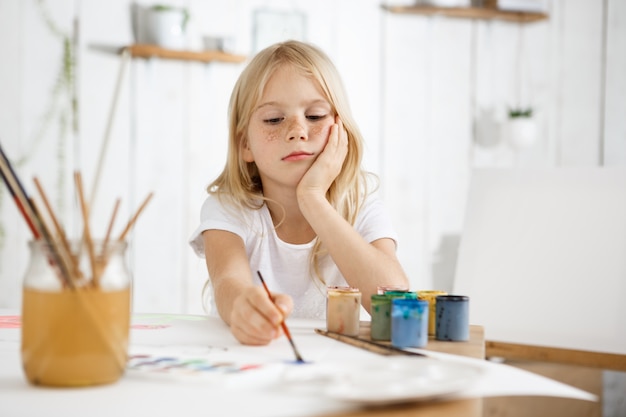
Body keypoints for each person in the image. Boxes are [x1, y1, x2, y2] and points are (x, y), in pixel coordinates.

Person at [189, 40, 409, 346]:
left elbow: (396, 305)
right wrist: (243, 308)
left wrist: (313, 198)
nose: (297, 130)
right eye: (274, 120)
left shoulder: (362, 205)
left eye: (316, 116)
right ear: (245, 145)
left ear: (340, 129)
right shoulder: (228, 208)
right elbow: (228, 282)